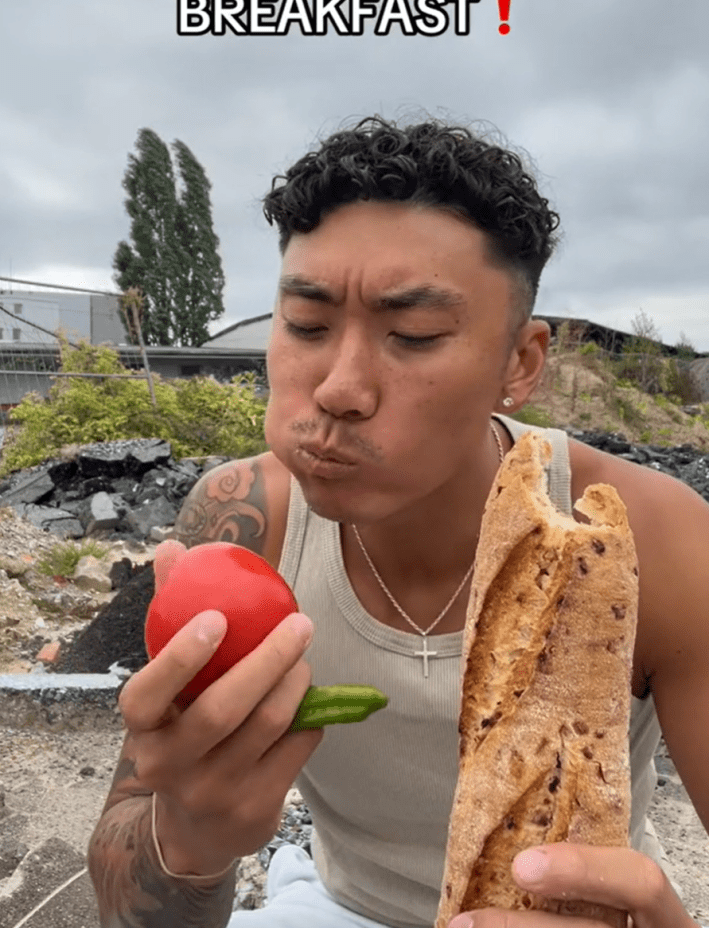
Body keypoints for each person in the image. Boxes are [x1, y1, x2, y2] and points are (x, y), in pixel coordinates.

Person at [87, 116, 709, 928]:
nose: (339, 389)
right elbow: (126, 890)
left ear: (519, 362)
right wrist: (185, 843)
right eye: (305, 324)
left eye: (413, 336)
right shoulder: (244, 524)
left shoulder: (644, 538)